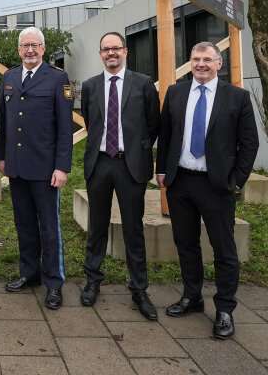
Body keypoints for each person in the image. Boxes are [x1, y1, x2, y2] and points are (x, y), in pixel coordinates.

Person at [156, 41, 259, 339]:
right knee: (186, 243)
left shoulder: (236, 97)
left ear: (218, 64)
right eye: (195, 58)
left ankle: (225, 309)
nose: (200, 64)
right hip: (180, 183)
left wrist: (236, 181)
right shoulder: (175, 92)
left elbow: (249, 143)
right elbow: (166, 134)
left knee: (224, 249)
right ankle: (192, 296)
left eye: (207, 59)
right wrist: (162, 170)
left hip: (217, 185)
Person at [79, 32, 161, 320]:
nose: (111, 53)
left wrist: (137, 150)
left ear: (125, 52)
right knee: (97, 225)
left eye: (116, 48)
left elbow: (153, 124)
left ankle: (139, 288)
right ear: (100, 53)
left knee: (133, 229)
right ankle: (93, 280)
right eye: (105, 49)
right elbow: (91, 122)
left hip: (131, 166)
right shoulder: (89, 86)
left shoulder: (143, 83)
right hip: (100, 164)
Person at [0, 26, 73, 310]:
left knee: (49, 228)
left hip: (45, 169)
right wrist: (2, 156)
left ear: (43, 49)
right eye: (25, 45)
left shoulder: (57, 78)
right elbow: (6, 123)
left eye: (35, 45)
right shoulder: (9, 76)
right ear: (19, 50)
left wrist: (62, 167)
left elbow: (65, 129)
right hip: (16, 167)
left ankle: (54, 282)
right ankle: (29, 273)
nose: (30, 50)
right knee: (24, 224)